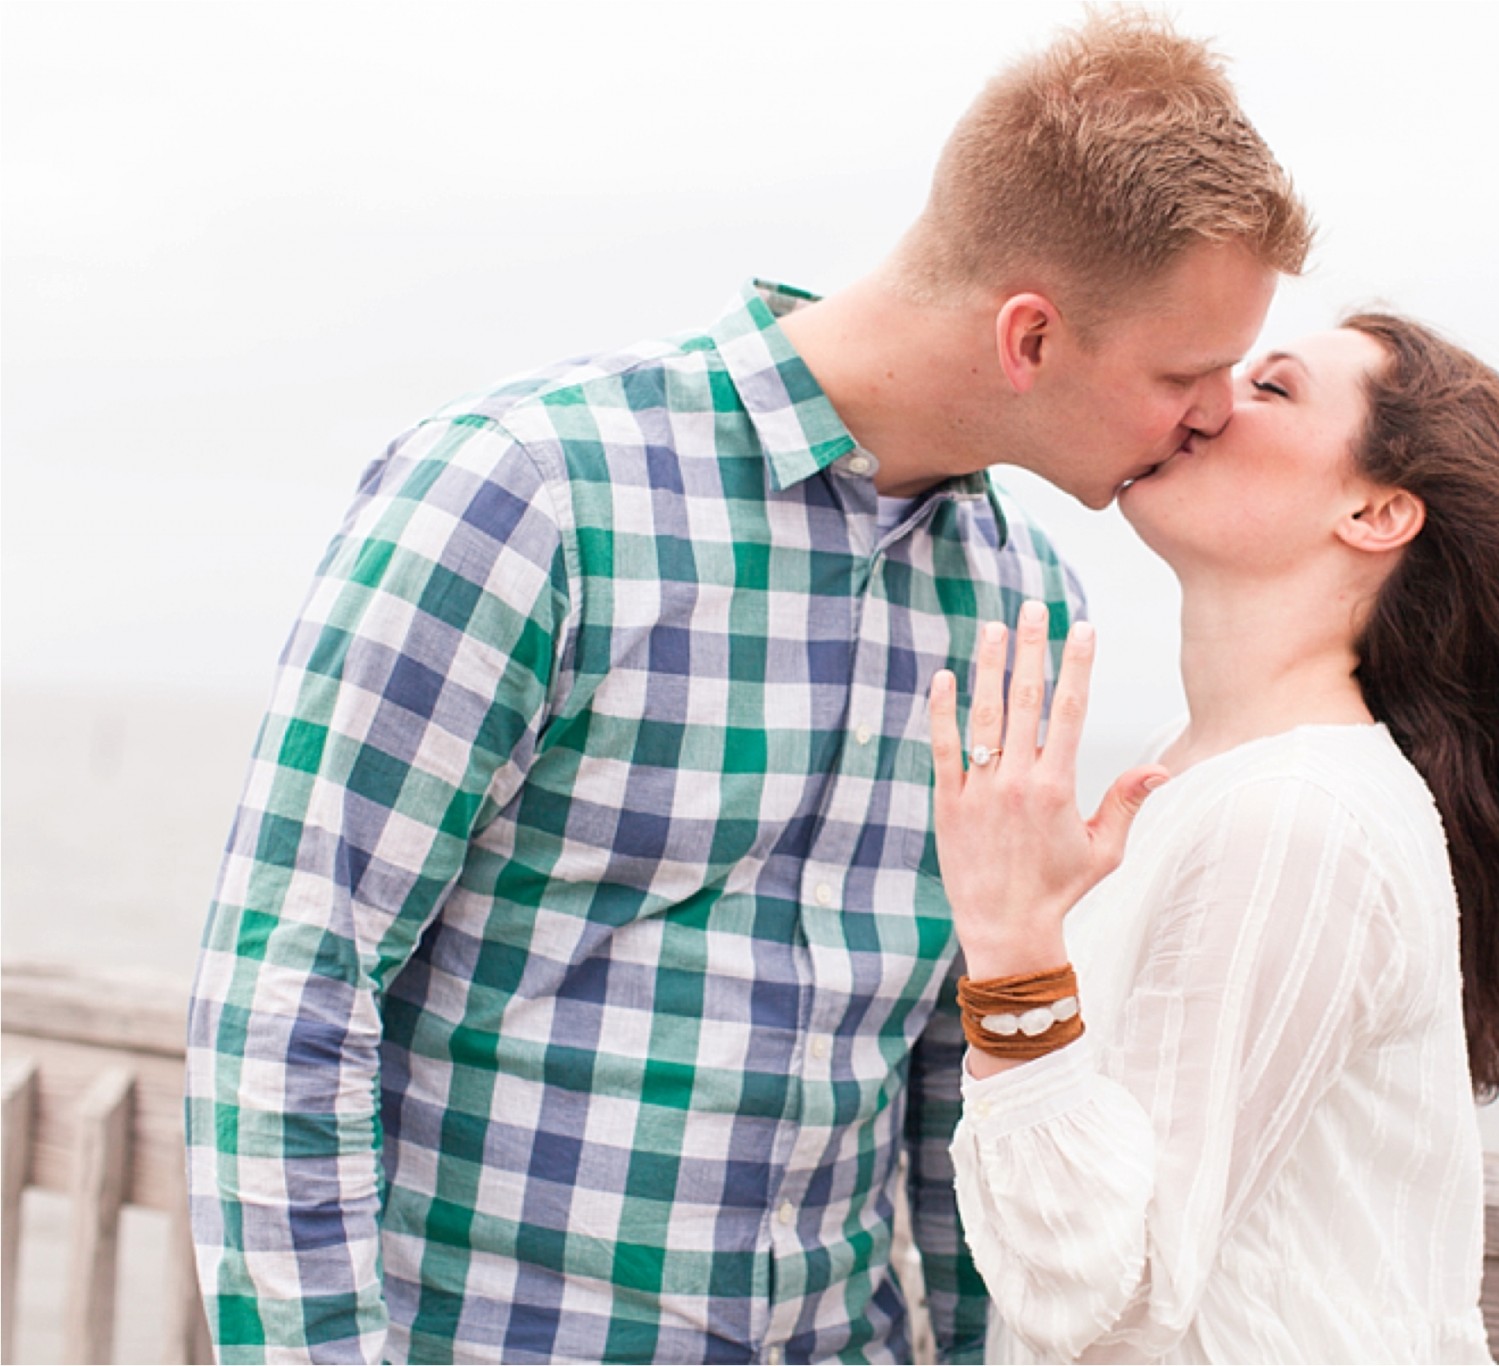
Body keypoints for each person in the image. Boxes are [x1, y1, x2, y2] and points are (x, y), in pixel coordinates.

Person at [183, 13, 1310, 1363]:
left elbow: (959, 1080)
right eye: (1184, 375)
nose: (1209, 416)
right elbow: (293, 986)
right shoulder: (527, 496)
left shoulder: (1028, 606)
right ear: (1031, 337)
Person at [930, 314, 1499, 1363]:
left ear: (1376, 511)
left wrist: (1013, 950)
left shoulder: (1294, 818)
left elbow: (1111, 1287)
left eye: (1271, 389)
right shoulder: (1203, 773)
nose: (1206, 399)